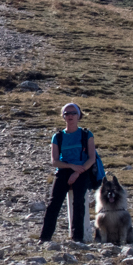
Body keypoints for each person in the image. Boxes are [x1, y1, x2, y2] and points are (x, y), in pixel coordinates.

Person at [40, 102, 96, 243]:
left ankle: (78, 239)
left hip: (83, 171)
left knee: (78, 202)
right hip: (64, 170)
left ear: (79, 116)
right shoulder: (57, 137)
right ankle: (45, 238)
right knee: (53, 203)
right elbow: (55, 161)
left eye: (73, 113)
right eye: (67, 113)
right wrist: (71, 167)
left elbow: (91, 158)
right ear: (63, 116)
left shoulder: (86, 134)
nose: (70, 116)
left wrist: (78, 172)